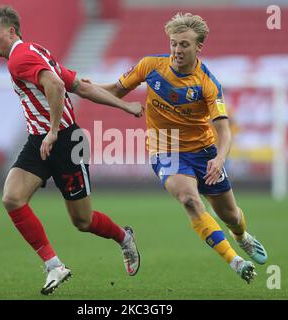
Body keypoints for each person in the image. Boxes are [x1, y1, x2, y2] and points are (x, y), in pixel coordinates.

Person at [93, 13, 268, 283]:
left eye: (184, 44)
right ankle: (234, 260)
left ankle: (242, 236)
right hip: (165, 150)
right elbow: (115, 90)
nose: (177, 50)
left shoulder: (207, 83)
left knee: (231, 215)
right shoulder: (150, 66)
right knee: (188, 198)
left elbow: (223, 129)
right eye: (173, 43)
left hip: (204, 152)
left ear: (199, 47)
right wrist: (79, 87)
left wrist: (220, 159)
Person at [0, 5, 141, 295]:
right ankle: (54, 265)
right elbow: (79, 86)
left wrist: (54, 131)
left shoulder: (20, 58)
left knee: (82, 221)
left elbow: (55, 85)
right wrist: (124, 104)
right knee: (12, 198)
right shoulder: (35, 51)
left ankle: (124, 237)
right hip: (39, 141)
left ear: (11, 31)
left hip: (67, 142)